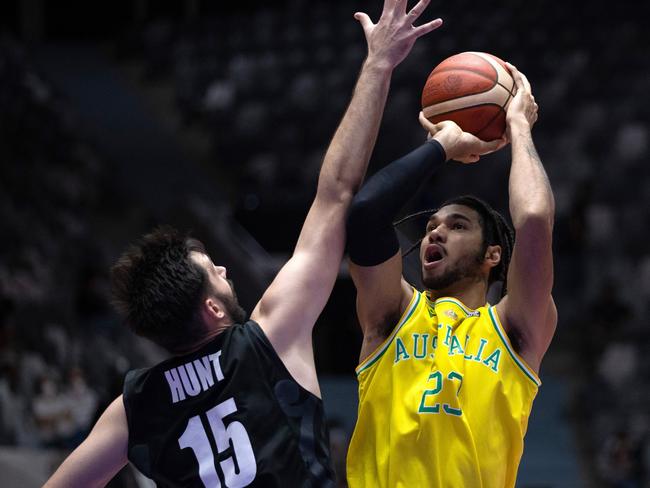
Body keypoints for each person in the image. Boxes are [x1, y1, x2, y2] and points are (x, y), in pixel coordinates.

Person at [43, 2, 489, 486]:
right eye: (216, 272)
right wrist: (381, 63)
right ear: (213, 310)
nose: (227, 271)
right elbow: (337, 192)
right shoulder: (269, 337)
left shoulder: (134, 409)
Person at [345, 65, 556, 487]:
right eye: (430, 228)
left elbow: (533, 218)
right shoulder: (393, 312)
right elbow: (367, 214)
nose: (436, 232)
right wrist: (443, 145)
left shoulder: (515, 328)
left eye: (458, 226)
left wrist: (518, 125)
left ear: (492, 255)